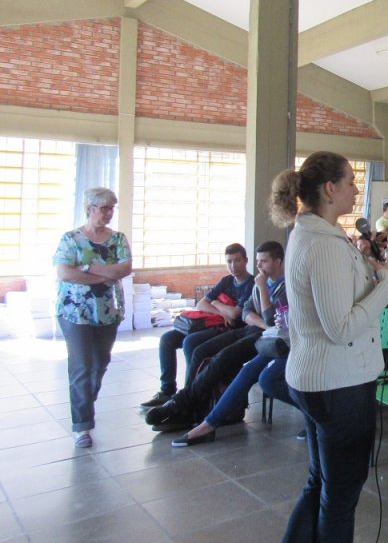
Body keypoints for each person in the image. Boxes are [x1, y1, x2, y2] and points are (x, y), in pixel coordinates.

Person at [270, 151, 388, 543]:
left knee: (321, 482)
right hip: (336, 383)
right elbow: (341, 327)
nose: (356, 190)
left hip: (321, 377)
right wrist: (387, 284)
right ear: (329, 189)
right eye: (350, 182)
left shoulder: (313, 233)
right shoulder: (322, 243)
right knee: (340, 496)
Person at [148, 241, 287, 434]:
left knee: (223, 357)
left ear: (278, 262)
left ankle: (185, 406)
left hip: (265, 340)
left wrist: (263, 296)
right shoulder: (257, 283)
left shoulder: (283, 286)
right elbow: (247, 310)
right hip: (253, 329)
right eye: (258, 261)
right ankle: (186, 401)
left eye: (263, 261)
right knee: (200, 350)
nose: (259, 267)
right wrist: (263, 323)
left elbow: (271, 319)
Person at [53, 187, 132, 448]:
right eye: (104, 208)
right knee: (81, 366)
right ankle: (82, 425)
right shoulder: (71, 239)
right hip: (75, 313)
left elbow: (124, 268)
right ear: (89, 209)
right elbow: (65, 272)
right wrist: (104, 274)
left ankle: (86, 401)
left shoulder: (118, 239)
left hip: (107, 312)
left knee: (100, 363)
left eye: (112, 208)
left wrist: (87, 268)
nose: (109, 213)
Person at [141, 244, 254, 410]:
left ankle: (188, 394)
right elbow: (201, 303)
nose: (233, 266)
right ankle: (167, 389)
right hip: (213, 322)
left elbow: (236, 314)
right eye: (229, 261)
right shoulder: (226, 281)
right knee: (167, 339)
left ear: (245, 261)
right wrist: (221, 310)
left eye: (237, 261)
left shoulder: (251, 284)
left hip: (231, 329)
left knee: (191, 342)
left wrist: (215, 303)